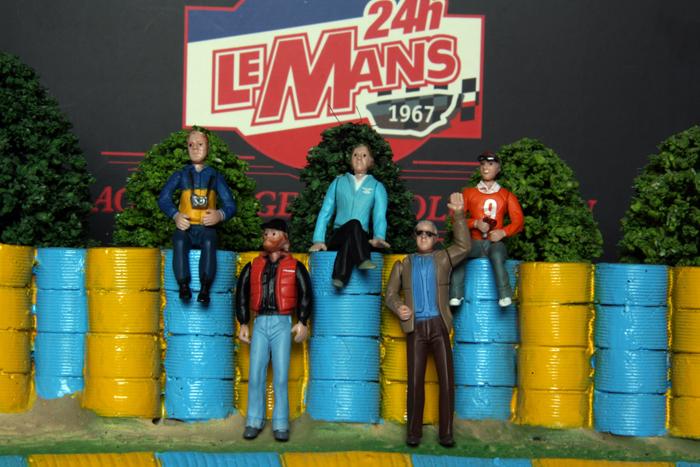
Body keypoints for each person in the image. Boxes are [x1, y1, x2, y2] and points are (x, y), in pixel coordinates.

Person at [385, 193, 470, 448]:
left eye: (429, 233)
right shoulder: (403, 264)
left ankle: (446, 433)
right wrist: (399, 307)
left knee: (446, 381)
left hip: (438, 324)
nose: (423, 236)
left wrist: (458, 215)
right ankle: (413, 433)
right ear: (415, 236)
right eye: (419, 232)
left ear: (435, 238)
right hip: (416, 329)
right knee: (415, 382)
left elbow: (464, 246)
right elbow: (390, 294)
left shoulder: (443, 258)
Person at [235, 218, 312, 442]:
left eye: (273, 233)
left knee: (280, 377)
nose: (268, 237)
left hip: (282, 323)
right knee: (255, 375)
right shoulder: (253, 266)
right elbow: (241, 294)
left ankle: (281, 423)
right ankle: (253, 420)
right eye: (266, 234)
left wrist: (303, 321)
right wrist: (243, 322)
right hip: (259, 323)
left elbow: (305, 293)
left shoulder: (295, 266)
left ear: (284, 239)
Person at [158, 130, 236, 305]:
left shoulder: (215, 176)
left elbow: (230, 204)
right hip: (186, 226)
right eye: (191, 145)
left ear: (208, 147)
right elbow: (163, 198)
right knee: (179, 242)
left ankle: (205, 288)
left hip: (206, 227)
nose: (195, 148)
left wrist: (219, 214)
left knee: (209, 243)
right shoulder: (181, 174)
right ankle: (183, 286)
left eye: (200, 144)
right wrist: (175, 215)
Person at [309, 143, 389, 288]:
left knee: (352, 236)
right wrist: (318, 239)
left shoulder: (376, 186)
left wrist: (379, 237)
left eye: (364, 155)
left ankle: (339, 277)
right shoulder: (338, 182)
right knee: (354, 224)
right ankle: (362, 259)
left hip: (361, 238)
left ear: (371, 161)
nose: (359, 158)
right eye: (355, 155)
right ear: (350, 160)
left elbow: (379, 216)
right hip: (338, 235)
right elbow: (325, 212)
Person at [449, 152, 524, 307]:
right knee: (460, 253)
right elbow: (456, 220)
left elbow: (518, 221)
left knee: (497, 255)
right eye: (482, 164)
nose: (485, 168)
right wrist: (475, 223)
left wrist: (503, 232)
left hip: (494, 243)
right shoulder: (469, 193)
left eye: (490, 164)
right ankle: (456, 293)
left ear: (498, 169)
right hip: (474, 242)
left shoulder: (506, 195)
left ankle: (505, 294)